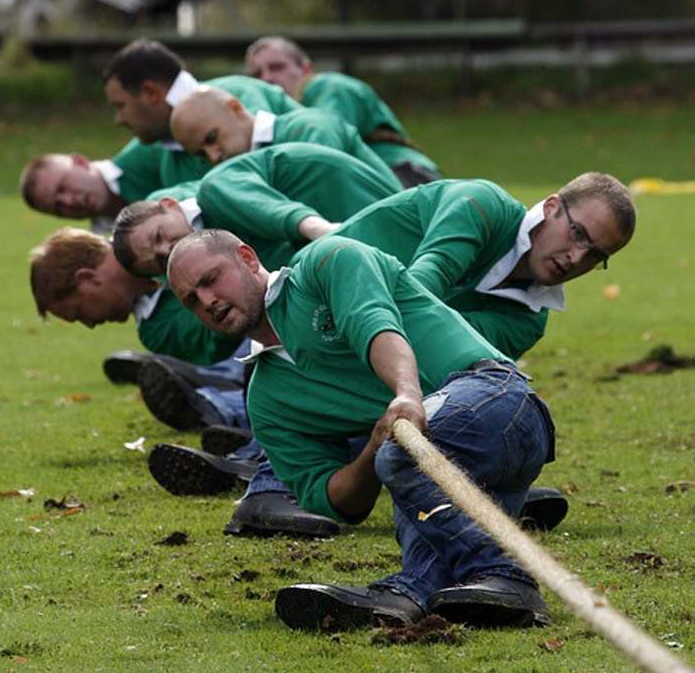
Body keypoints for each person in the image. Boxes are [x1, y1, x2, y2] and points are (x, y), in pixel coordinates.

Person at [167, 229, 557, 631]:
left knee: (402, 455)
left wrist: (406, 396)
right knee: (401, 467)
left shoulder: (328, 261)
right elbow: (335, 500)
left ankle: (506, 576)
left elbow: (375, 324)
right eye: (192, 300)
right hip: (438, 469)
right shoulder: (266, 401)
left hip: (501, 401)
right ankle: (410, 595)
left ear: (248, 258)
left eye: (211, 280)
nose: (208, 301)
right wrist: (371, 448)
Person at [27, 226, 341, 539]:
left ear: (86, 278)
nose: (91, 324)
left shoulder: (158, 228)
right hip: (268, 349)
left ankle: (228, 421)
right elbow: (225, 334)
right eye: (190, 298)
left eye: (81, 313)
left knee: (279, 362)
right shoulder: (155, 327)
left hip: (303, 308)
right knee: (266, 366)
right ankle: (236, 426)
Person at [326, 172, 636, 359]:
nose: (577, 258)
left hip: (339, 362)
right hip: (304, 301)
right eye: (577, 233)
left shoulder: (527, 324)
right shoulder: (481, 205)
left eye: (596, 256)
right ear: (551, 207)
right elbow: (418, 289)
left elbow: (438, 349)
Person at [20, 39, 302, 226]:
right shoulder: (170, 154)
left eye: (121, 106)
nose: (118, 120)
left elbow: (276, 177)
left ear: (150, 93)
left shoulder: (235, 95)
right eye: (58, 207)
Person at [111, 141, 402, 278]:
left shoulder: (213, 190)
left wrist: (323, 231)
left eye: (158, 236)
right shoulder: (209, 253)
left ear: (169, 204)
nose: (166, 250)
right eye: (159, 261)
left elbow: (277, 213)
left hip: (333, 195)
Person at [245, 35, 442, 187]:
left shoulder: (329, 85)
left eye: (276, 67)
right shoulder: (285, 119)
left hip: (403, 177)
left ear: (306, 69)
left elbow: (326, 145)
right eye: (257, 74)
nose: (267, 78)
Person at [169, 84, 402, 192]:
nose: (213, 156)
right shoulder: (243, 172)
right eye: (200, 153)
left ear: (235, 107)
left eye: (211, 138)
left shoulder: (310, 128)